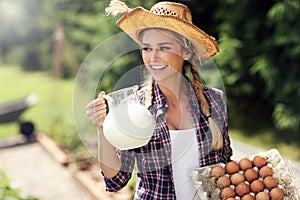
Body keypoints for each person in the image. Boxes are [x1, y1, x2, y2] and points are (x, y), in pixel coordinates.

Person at [86, 1, 233, 199]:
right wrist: (102, 128)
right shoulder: (134, 107)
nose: (153, 58)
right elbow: (115, 181)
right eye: (147, 49)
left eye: (163, 48)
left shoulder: (214, 100)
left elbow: (225, 164)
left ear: (186, 52)